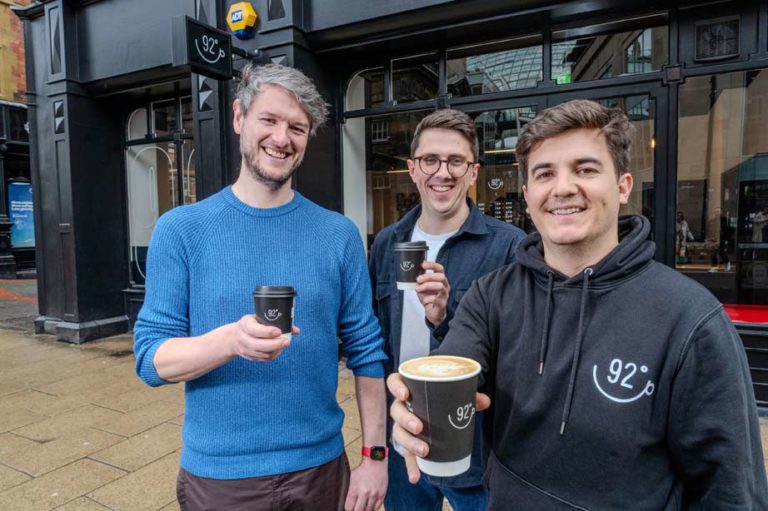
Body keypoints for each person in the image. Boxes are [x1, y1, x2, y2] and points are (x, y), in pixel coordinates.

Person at [387, 99, 768, 509]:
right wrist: (414, 410)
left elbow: (730, 492)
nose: (563, 188)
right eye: (545, 173)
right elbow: (456, 367)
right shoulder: (491, 295)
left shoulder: (691, 319)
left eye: (585, 169)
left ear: (623, 186)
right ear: (528, 194)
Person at [133, 63, 388, 511]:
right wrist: (231, 341)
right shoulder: (181, 230)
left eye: (297, 127)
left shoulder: (339, 234)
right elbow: (151, 360)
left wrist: (375, 457)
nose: (281, 138)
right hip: (221, 477)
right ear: (239, 118)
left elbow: (366, 351)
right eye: (268, 119)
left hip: (321, 468)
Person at [369, 109, 524, 510]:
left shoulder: (508, 246)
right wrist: (375, 447)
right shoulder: (387, 244)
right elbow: (375, 344)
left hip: (473, 447)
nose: (443, 172)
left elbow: (516, 351)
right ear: (412, 169)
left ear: (473, 172)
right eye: (430, 160)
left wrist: (444, 315)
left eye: (456, 161)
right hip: (402, 437)